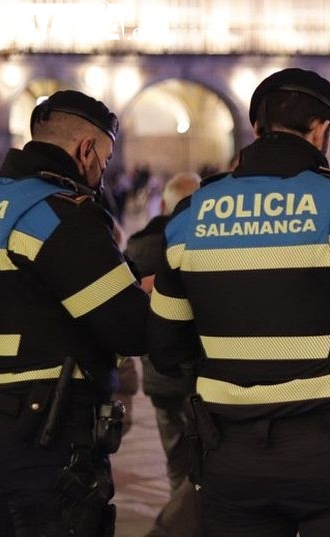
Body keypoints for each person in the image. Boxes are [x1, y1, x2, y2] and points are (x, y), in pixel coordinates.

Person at [147, 67, 330, 537]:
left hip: (228, 455)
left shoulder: (191, 215)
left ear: (255, 128)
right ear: (320, 130)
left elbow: (163, 346)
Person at [0, 89, 149, 535]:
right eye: (104, 160)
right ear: (85, 149)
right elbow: (131, 329)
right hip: (45, 440)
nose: (101, 173)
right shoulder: (59, 214)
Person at [124, 171, 202, 537]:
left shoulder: (139, 245)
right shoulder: (199, 241)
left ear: (164, 204)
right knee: (204, 464)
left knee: (175, 461)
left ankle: (178, 519)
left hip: (158, 375)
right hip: (198, 376)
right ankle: (188, 523)